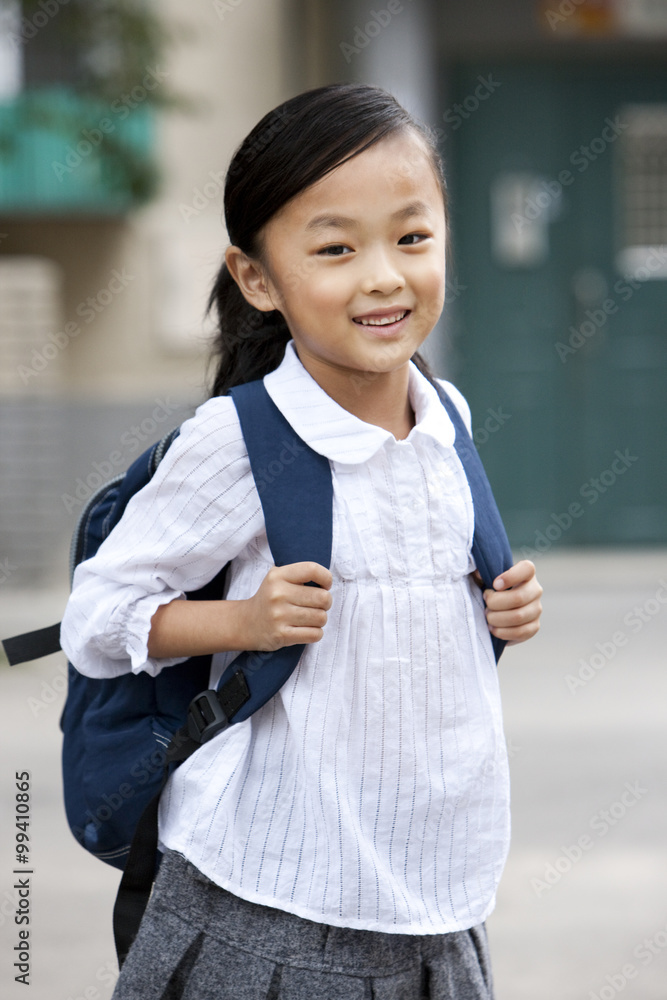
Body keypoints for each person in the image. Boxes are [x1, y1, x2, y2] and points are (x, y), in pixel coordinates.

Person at [61, 83, 543, 1000]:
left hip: (436, 903)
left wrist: (502, 604)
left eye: (412, 237)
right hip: (268, 906)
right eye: (334, 248)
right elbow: (95, 618)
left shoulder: (447, 417)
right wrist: (241, 621)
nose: (383, 277)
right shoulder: (237, 441)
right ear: (257, 279)